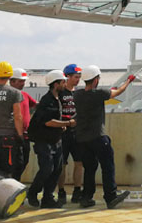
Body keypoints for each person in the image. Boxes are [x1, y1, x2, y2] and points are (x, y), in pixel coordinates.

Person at [74, 65, 134, 209]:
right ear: (95, 80)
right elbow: (118, 91)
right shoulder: (99, 93)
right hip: (98, 137)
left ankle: (86, 197)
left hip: (82, 139)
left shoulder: (77, 94)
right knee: (107, 166)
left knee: (89, 168)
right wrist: (128, 81)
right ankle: (111, 196)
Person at [26, 71, 74, 209]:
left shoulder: (57, 99)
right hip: (44, 141)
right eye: (63, 82)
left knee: (56, 170)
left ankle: (48, 198)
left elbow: (55, 121)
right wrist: (68, 123)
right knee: (47, 169)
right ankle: (33, 192)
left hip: (55, 140)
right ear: (56, 84)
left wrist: (61, 126)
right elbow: (47, 122)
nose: (65, 84)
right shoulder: (47, 100)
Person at [58, 64, 83, 205]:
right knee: (62, 164)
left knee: (79, 162)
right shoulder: (60, 93)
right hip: (63, 133)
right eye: (75, 77)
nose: (77, 80)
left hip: (77, 133)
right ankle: (61, 190)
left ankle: (77, 190)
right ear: (67, 77)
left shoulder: (79, 93)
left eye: (79, 77)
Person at [10, 68, 37, 181]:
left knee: (24, 162)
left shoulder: (24, 95)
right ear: (12, 82)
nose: (23, 83)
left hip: (25, 136)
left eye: (23, 81)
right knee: (15, 163)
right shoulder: (8, 96)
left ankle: (15, 183)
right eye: (20, 81)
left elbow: (35, 104)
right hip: (12, 136)